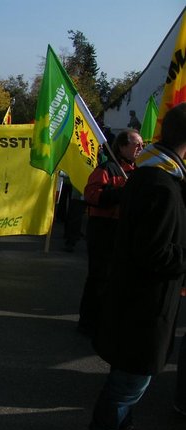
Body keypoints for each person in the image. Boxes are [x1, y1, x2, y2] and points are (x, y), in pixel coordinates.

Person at [80, 103, 186, 430]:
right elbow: (154, 252)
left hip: (142, 299)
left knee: (131, 374)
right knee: (130, 378)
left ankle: (121, 427)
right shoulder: (160, 184)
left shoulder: (156, 175)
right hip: (144, 303)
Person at [77, 129, 142, 336]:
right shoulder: (106, 169)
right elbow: (91, 195)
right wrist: (120, 193)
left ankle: (106, 320)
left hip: (123, 228)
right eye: (136, 144)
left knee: (116, 278)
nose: (140, 148)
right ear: (122, 146)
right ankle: (88, 322)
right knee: (99, 276)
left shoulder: (138, 170)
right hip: (103, 228)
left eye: (142, 145)